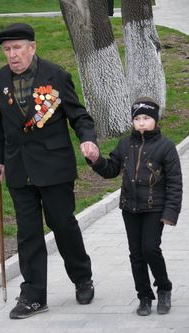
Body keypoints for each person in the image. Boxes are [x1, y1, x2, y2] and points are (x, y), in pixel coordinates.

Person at [0, 22, 100, 319]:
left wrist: (88, 139)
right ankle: (34, 296)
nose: (12, 55)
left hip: (54, 167)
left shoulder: (56, 76)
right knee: (28, 233)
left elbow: (79, 115)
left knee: (62, 225)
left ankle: (82, 277)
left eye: (17, 48)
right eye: (7, 49)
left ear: (32, 47)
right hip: (18, 168)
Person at [85, 97, 183, 316]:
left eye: (146, 118)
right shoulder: (125, 144)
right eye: (137, 118)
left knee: (150, 249)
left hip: (154, 207)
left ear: (155, 120)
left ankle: (164, 287)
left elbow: (175, 182)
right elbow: (111, 170)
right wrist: (95, 160)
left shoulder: (166, 147)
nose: (141, 123)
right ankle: (144, 296)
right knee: (136, 254)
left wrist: (170, 212)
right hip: (130, 208)